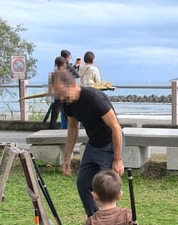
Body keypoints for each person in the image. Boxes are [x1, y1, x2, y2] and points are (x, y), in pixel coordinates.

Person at [48, 68, 124, 216]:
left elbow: (116, 127)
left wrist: (118, 158)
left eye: (63, 92)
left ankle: (112, 223)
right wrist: (67, 157)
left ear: (72, 84)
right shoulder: (67, 102)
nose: (62, 97)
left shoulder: (94, 98)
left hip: (110, 143)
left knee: (107, 187)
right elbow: (72, 128)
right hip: (93, 143)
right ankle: (95, 220)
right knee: (83, 184)